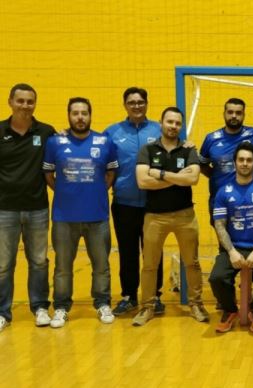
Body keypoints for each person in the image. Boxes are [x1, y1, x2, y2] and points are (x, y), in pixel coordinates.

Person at [43, 97, 117, 328]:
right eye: (75, 113)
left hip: (98, 217)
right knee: (63, 267)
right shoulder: (55, 142)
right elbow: (48, 175)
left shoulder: (105, 141)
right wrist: (65, 191)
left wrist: (95, 191)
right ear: (68, 115)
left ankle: (102, 303)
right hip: (64, 217)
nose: (80, 117)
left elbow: (110, 174)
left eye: (84, 113)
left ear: (90, 115)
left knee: (101, 265)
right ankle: (62, 307)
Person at [131, 107, 207, 326]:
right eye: (170, 122)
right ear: (161, 122)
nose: (173, 126)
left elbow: (193, 179)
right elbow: (143, 182)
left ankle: (196, 304)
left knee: (191, 263)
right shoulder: (147, 149)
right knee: (149, 264)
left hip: (185, 215)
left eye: (177, 123)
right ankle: (147, 307)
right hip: (155, 217)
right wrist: (177, 177)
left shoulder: (188, 149)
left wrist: (161, 174)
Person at [104, 87, 165, 316]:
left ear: (147, 104)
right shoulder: (112, 132)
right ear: (125, 105)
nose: (136, 106)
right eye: (132, 102)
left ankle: (154, 296)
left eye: (140, 102)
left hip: (154, 204)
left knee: (152, 253)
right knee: (128, 252)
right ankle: (129, 295)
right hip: (124, 204)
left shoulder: (159, 130)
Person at [0, 83, 56, 332]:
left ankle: (40, 307)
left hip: (37, 208)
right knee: (3, 263)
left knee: (38, 261)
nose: (25, 106)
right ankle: (3, 312)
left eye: (30, 101)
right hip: (4, 210)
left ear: (35, 103)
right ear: (10, 102)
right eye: (20, 101)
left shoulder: (45, 132)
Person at [209, 142, 253, 333]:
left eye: (249, 160)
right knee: (216, 278)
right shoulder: (224, 192)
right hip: (233, 246)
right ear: (235, 163)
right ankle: (230, 310)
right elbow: (219, 224)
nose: (245, 164)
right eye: (241, 160)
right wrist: (231, 251)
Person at [199, 98, 253, 219]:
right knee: (223, 236)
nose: (234, 116)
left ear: (244, 115)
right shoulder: (211, 139)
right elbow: (202, 164)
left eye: (238, 113)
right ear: (224, 114)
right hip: (220, 201)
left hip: (250, 201)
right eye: (230, 112)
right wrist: (218, 175)